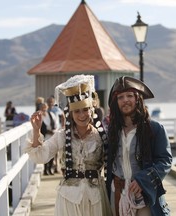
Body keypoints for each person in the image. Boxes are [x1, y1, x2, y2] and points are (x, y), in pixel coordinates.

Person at [25, 74, 112, 216]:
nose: (82, 115)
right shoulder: (62, 136)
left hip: (96, 197)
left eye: (85, 110)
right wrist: (36, 131)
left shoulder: (101, 136)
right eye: (77, 111)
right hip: (69, 198)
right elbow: (41, 156)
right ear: (70, 114)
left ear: (92, 110)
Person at [106, 76, 172, 216]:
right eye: (121, 97)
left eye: (129, 95)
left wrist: (143, 180)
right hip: (117, 193)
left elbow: (165, 161)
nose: (125, 100)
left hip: (144, 193)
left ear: (137, 99)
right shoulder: (111, 131)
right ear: (116, 102)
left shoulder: (154, 129)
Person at [46, 95, 66, 173]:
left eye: (51, 102)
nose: (50, 103)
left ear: (54, 102)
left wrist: (63, 126)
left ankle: (57, 166)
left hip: (56, 131)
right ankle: (51, 166)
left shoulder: (57, 109)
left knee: (57, 150)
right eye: (49, 102)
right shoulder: (46, 110)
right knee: (50, 150)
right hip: (49, 132)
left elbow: (63, 116)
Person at [39, 102, 58, 175]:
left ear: (47, 108)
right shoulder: (39, 117)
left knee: (52, 153)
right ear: (40, 108)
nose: (43, 109)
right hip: (44, 137)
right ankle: (45, 169)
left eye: (45, 107)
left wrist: (54, 131)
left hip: (52, 137)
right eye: (42, 107)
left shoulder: (51, 115)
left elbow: (56, 124)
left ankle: (50, 168)